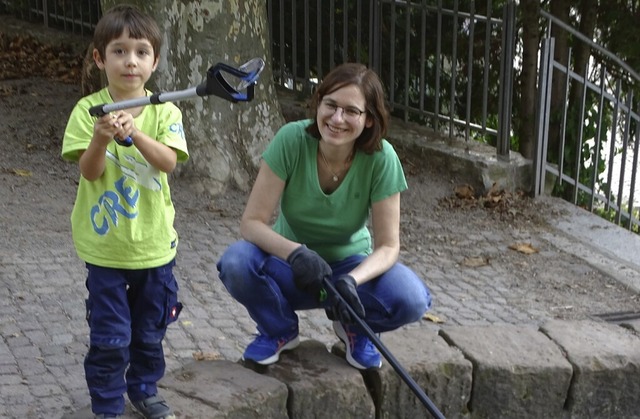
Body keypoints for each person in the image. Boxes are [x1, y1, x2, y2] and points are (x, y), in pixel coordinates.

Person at [217, 63, 432, 371]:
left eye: (351, 111)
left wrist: (351, 281)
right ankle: (279, 329)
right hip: (291, 266)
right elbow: (251, 223)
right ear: (318, 102)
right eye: (330, 105)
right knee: (236, 262)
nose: (337, 118)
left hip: (348, 269)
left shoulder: (382, 158)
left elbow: (388, 247)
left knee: (411, 298)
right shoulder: (291, 139)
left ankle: (354, 326)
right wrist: (296, 254)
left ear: (369, 119)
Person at [61, 5, 188, 419]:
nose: (129, 61)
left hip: (154, 247)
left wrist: (135, 132)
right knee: (110, 337)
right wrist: (100, 140)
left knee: (150, 333)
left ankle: (145, 390)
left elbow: (168, 162)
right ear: (100, 58)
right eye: (118, 51)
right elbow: (90, 171)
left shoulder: (166, 111)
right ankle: (107, 405)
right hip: (106, 249)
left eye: (140, 51)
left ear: (154, 60)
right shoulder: (87, 110)